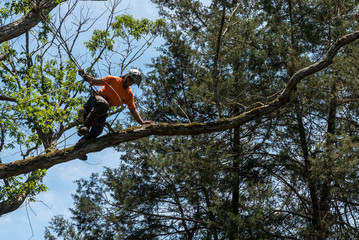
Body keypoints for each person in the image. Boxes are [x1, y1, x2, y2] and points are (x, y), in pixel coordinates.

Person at [77, 68, 153, 141]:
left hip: (101, 110)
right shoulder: (113, 80)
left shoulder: (129, 95)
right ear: (127, 76)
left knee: (98, 130)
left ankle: (80, 145)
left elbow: (133, 110)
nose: (131, 83)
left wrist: (141, 122)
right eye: (131, 80)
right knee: (103, 104)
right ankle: (85, 125)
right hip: (95, 101)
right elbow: (94, 81)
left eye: (133, 82)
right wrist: (83, 74)